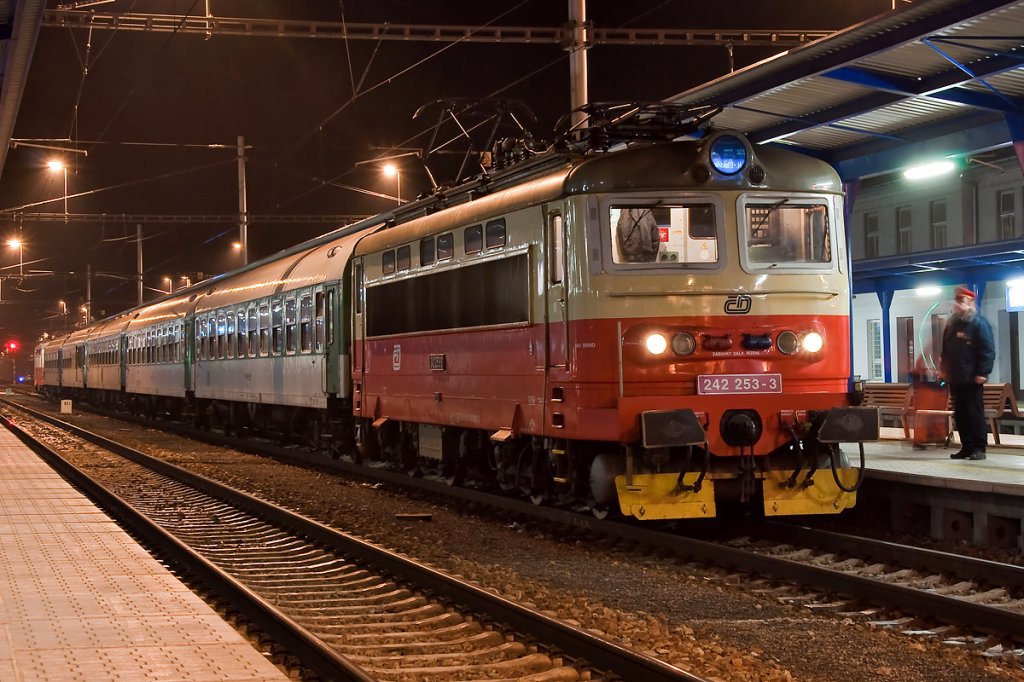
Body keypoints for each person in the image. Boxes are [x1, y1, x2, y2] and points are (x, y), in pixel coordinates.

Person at [939, 286, 995, 460]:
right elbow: (946, 350)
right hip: (956, 377)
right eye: (957, 301)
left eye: (962, 301)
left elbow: (988, 350)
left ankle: (979, 448)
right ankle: (967, 446)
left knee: (974, 413)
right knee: (961, 413)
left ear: (970, 303)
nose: (958, 304)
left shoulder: (979, 324)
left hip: (972, 378)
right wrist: (944, 370)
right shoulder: (952, 323)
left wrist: (983, 372)